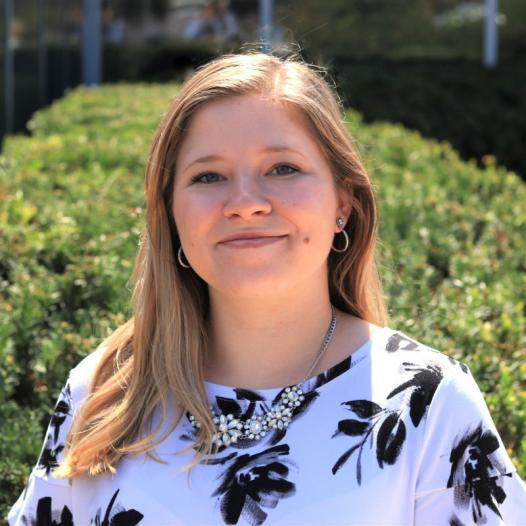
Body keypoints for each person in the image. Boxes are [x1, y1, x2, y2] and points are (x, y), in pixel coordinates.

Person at [8, 51, 526, 525]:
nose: (245, 202)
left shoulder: (429, 402)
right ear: (171, 215)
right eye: (208, 177)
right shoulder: (103, 390)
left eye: (283, 168)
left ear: (343, 202)